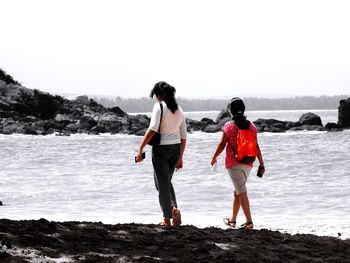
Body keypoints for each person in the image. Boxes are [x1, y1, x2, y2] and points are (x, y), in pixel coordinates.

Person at [136, 81, 187, 227]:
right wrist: (181, 157)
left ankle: (167, 219)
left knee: (162, 185)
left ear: (159, 95)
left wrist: (141, 148)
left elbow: (152, 129)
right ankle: (173, 208)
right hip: (176, 149)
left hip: (161, 149)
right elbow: (184, 136)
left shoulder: (159, 107)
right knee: (165, 182)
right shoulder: (179, 109)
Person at [211, 97, 265, 229]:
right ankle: (233, 221)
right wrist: (261, 164)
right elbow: (256, 146)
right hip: (249, 162)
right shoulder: (252, 126)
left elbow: (222, 144)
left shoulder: (229, 126)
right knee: (237, 190)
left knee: (241, 190)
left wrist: (214, 157)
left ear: (231, 111)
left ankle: (249, 222)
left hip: (233, 163)